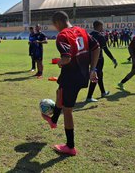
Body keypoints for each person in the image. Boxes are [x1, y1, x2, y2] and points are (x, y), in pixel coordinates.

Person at [42, 11, 100, 156]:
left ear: (58, 22)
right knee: (59, 92)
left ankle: (70, 146)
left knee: (68, 110)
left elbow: (66, 58)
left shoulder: (62, 36)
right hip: (82, 75)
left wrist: (60, 62)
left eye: (54, 25)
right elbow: (96, 47)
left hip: (71, 76)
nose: (55, 28)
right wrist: (93, 69)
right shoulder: (82, 31)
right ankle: (54, 120)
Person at [86, 21, 118, 102]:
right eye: (102, 26)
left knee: (100, 75)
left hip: (90, 59)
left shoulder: (88, 35)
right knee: (96, 76)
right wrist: (113, 59)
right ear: (99, 26)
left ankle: (103, 92)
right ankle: (89, 97)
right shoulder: (100, 36)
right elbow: (105, 49)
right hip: (99, 59)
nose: (103, 28)